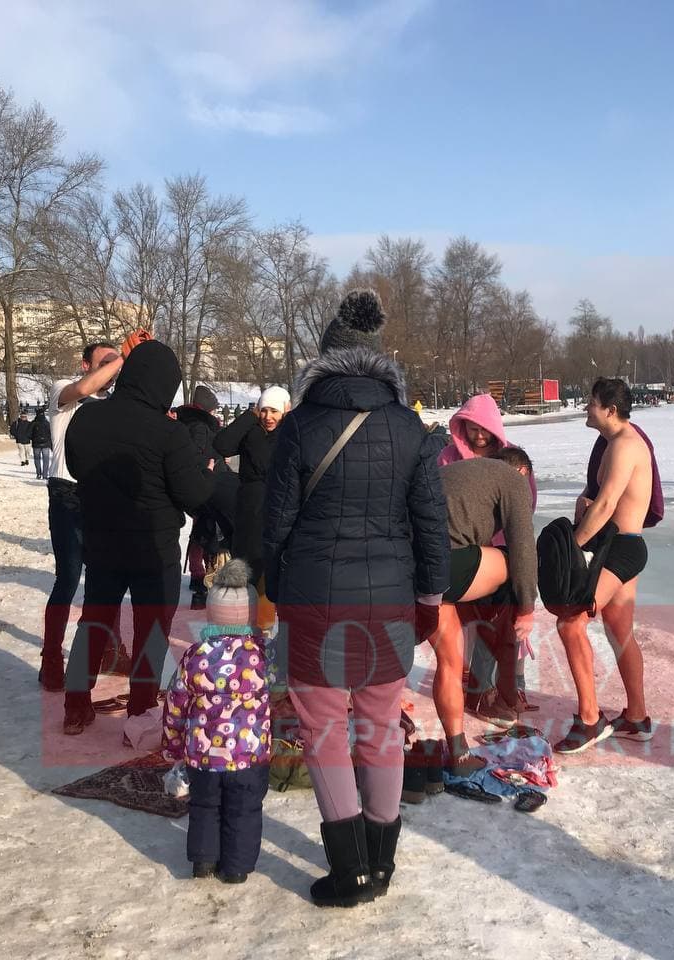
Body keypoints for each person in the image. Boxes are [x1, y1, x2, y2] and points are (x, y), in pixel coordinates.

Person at [263, 288, 449, 907]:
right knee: (380, 726)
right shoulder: (411, 428)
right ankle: (381, 861)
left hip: (313, 596)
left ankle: (350, 873)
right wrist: (429, 599)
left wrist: (276, 586)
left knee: (322, 729)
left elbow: (276, 522)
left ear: (325, 359)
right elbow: (431, 525)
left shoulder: (298, 426)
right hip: (391, 599)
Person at [61, 338, 215, 738]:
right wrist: (205, 472)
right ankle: (141, 708)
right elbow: (194, 495)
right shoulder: (169, 433)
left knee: (95, 619)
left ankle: (75, 704)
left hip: (101, 539)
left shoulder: (87, 417)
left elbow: (76, 468)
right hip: (153, 546)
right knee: (151, 629)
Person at [554, 377, 655, 754]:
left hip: (620, 549)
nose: (585, 407)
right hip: (623, 545)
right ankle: (637, 717)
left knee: (570, 622)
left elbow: (608, 503)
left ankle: (589, 719)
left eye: (591, 402)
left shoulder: (625, 444)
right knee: (619, 629)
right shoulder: (614, 443)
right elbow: (601, 498)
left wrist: (573, 546)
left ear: (610, 410)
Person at [163, 559, 273, 884]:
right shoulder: (264, 656)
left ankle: (203, 861)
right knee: (244, 811)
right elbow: (281, 697)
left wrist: (173, 745)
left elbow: (176, 702)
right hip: (249, 756)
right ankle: (236, 868)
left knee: (205, 807)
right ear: (250, 615)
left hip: (203, 756)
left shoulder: (195, 655)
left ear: (211, 614)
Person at [434, 447, 538, 747]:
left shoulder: (459, 473)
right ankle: (500, 694)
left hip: (406, 565)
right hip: (445, 565)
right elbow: (523, 547)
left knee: (449, 661)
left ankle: (458, 746)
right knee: (509, 567)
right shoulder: (514, 479)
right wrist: (527, 607)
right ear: (521, 472)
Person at [38, 340, 124, 692]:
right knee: (69, 578)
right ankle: (51, 659)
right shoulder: (65, 391)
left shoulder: (114, 405)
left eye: (116, 364)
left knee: (106, 579)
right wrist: (123, 358)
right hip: (66, 493)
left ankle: (107, 651)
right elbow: (84, 389)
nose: (113, 369)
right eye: (106, 362)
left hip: (101, 495)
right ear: (86, 364)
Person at [214, 385, 290, 630]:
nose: (268, 417)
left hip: (277, 509)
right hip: (248, 510)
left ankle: (264, 627)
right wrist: (249, 416)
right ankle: (242, 624)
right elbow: (222, 444)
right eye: (264, 410)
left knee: (269, 571)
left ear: (285, 411)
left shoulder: (290, 433)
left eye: (274, 411)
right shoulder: (251, 430)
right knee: (246, 568)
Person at [176, 384, 236, 609]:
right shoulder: (200, 427)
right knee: (207, 534)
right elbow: (198, 454)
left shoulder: (190, 424)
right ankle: (202, 576)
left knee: (202, 532)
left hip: (202, 483)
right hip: (206, 484)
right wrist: (212, 467)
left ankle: (199, 575)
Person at [30, 409, 53, 480]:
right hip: (46, 444)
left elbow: (28, 433)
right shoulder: (47, 423)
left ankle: (38, 474)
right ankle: (45, 475)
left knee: (37, 459)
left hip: (36, 444)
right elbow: (51, 433)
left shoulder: (33, 423)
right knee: (46, 460)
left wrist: (33, 438)